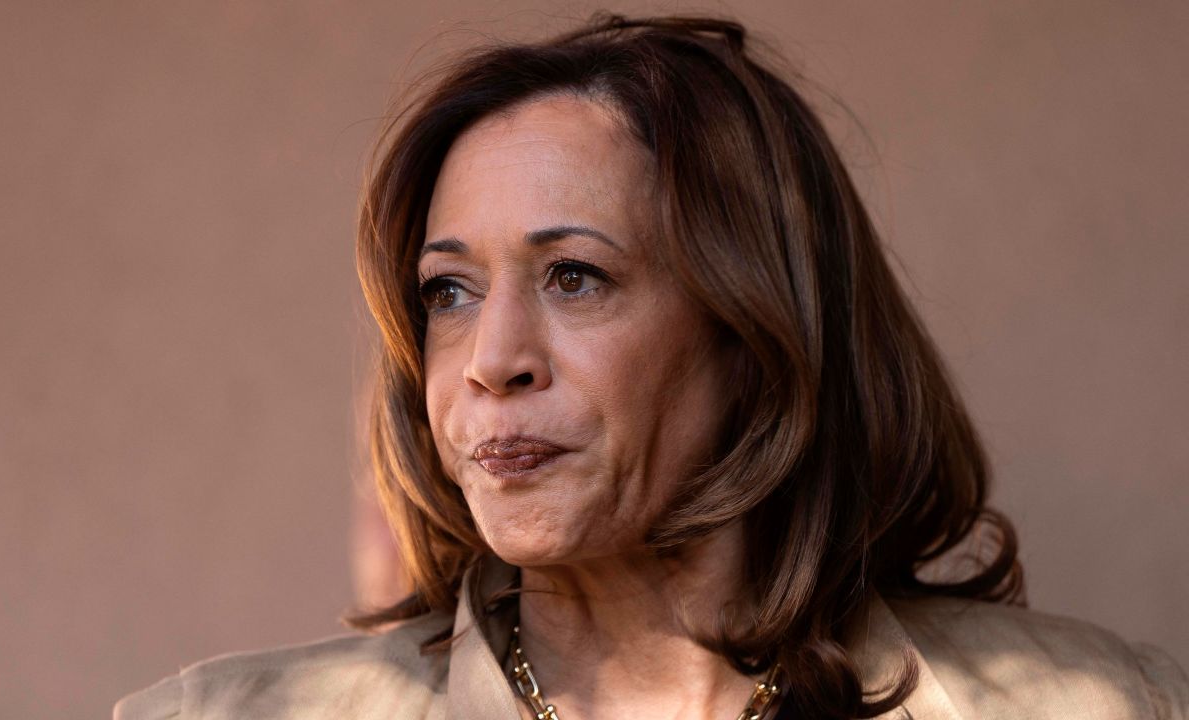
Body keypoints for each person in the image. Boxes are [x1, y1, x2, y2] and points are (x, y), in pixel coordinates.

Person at [114, 14, 1188, 720]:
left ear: (757, 327)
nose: (491, 362)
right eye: (449, 292)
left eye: (573, 276)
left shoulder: (1099, 706)